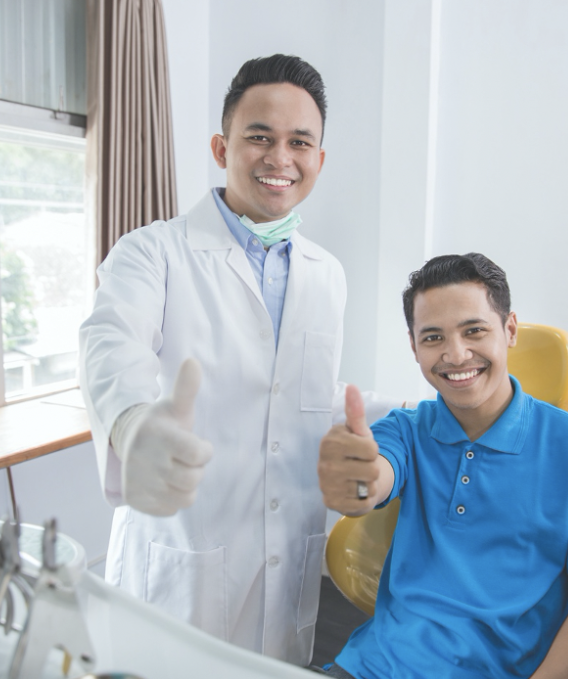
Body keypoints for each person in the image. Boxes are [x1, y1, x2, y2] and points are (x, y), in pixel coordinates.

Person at [78, 54, 400, 666]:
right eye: (260, 137)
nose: (280, 158)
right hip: (181, 558)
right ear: (222, 147)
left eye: (299, 142)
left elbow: (300, 395)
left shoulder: (325, 274)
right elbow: (108, 344)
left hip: (285, 561)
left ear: (319, 160)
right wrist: (132, 424)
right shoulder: (153, 252)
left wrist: (419, 413)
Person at [317, 253, 568, 678]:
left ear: (509, 330)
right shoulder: (408, 429)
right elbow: (375, 477)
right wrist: (356, 483)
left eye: (474, 331)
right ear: (414, 347)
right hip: (373, 666)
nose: (456, 354)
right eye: (433, 338)